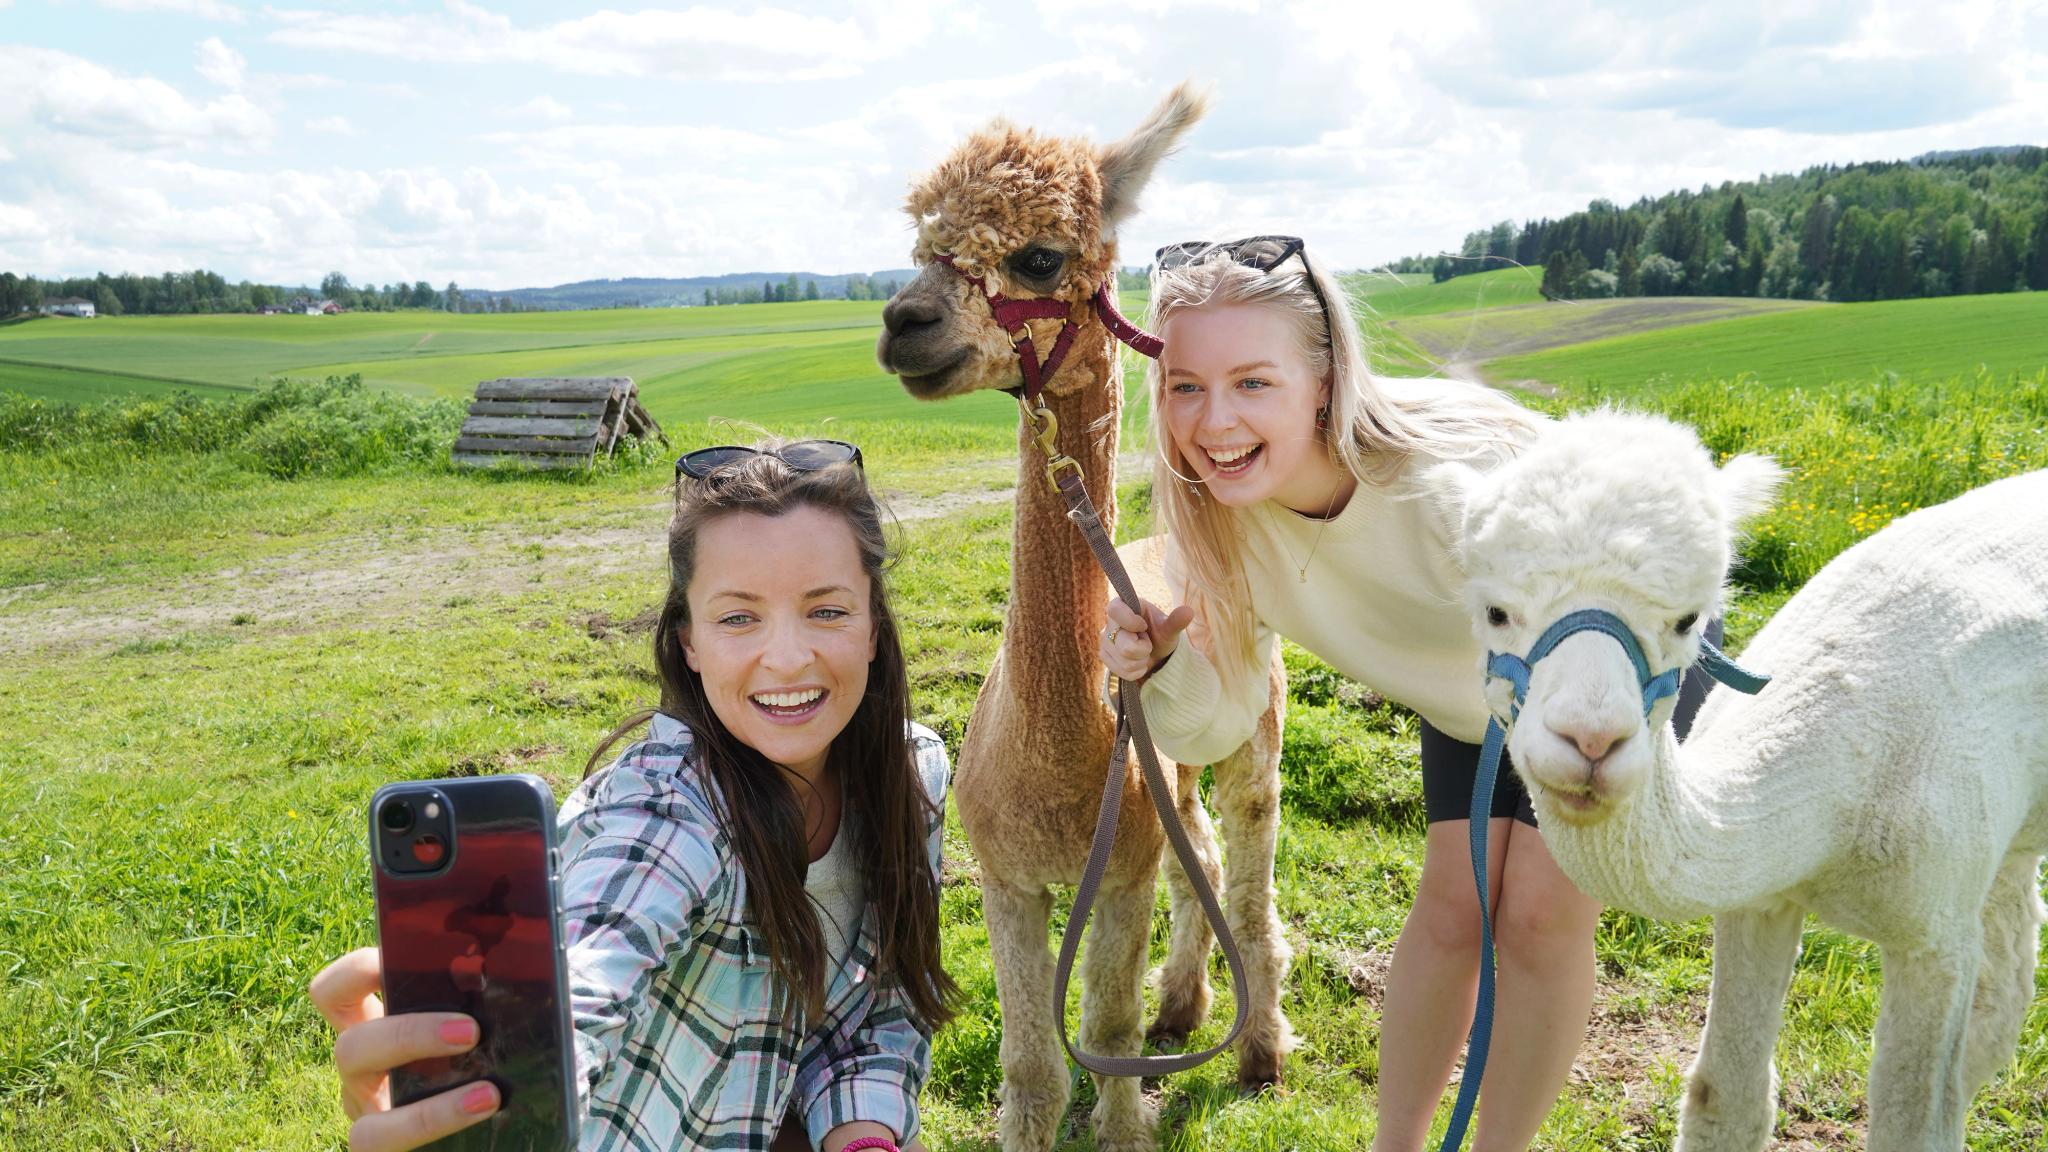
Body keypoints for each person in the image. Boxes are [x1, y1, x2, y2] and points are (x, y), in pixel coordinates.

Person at [1098, 239, 1718, 1152]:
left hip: (1600, 682)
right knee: (1451, 912)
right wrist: (1154, 667)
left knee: (1539, 918)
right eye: (1186, 385)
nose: (1214, 421)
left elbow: (1628, 573)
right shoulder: (1215, 528)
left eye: (1252, 383)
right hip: (1465, 706)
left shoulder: (1455, 470)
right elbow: (1216, 724)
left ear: (1324, 377)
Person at [310, 439, 957, 1152]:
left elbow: (876, 1008)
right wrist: (517, 1072)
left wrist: (864, 1137)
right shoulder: (666, 810)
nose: (787, 657)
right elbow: (593, 964)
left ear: (872, 628)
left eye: (827, 611)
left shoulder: (909, 770)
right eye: (738, 617)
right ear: (689, 643)